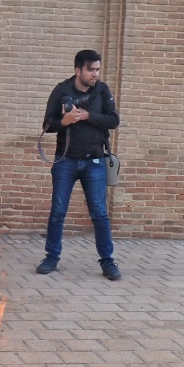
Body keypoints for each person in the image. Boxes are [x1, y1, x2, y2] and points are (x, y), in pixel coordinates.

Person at [35, 50, 121, 280]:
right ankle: (52, 257)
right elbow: (47, 125)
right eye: (91, 70)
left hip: (94, 161)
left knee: (100, 214)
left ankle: (107, 261)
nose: (95, 74)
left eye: (97, 69)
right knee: (58, 212)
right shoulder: (62, 90)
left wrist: (86, 116)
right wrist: (63, 122)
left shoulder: (102, 90)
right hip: (66, 161)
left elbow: (114, 120)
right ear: (78, 71)